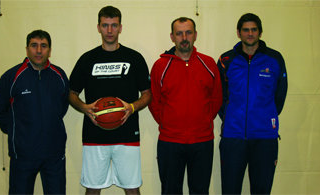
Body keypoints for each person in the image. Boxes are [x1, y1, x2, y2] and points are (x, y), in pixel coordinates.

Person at [68, 6, 151, 195]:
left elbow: (147, 94)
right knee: (92, 189)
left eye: (114, 25)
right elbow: (71, 93)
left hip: (128, 134)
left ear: (121, 27)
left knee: (132, 188)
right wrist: (84, 107)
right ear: (98, 27)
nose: (110, 30)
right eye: (105, 25)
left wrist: (131, 107)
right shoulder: (87, 59)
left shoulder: (134, 58)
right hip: (94, 135)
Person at [149, 17, 223, 194]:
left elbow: (217, 98)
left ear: (195, 35)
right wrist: (168, 122)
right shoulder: (160, 66)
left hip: (202, 141)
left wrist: (203, 120)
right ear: (172, 37)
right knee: (170, 190)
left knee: (200, 190)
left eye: (188, 32)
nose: (184, 37)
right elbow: (154, 101)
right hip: (170, 142)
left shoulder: (209, 63)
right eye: (179, 33)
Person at [0, 30, 69, 194]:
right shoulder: (12, 76)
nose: (39, 51)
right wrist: (13, 128)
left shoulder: (59, 76)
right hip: (23, 154)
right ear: (27, 49)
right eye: (34, 45)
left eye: (43, 46)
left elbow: (62, 106)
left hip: (54, 153)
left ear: (50, 50)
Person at [217, 13, 288, 194]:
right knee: (230, 190)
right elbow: (219, 95)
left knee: (262, 190)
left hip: (265, 138)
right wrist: (230, 116)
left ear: (260, 32)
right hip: (233, 137)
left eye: (254, 30)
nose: (250, 34)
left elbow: (279, 95)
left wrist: (265, 116)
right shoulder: (226, 60)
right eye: (246, 30)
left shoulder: (274, 59)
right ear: (239, 33)